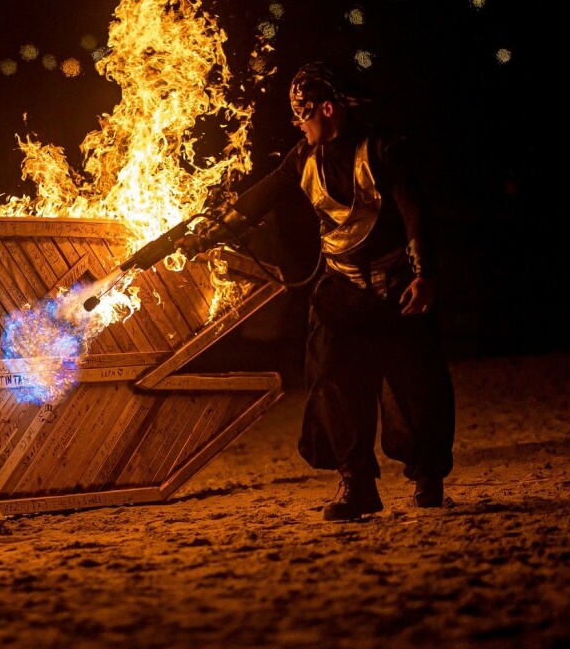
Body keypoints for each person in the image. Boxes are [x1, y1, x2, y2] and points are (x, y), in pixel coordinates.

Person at [185, 62, 455, 520]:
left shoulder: (384, 149)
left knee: (416, 388)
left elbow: (415, 212)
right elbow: (259, 199)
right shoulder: (302, 158)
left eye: (303, 114)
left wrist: (422, 273)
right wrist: (206, 233)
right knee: (334, 382)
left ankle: (427, 478)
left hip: (395, 290)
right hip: (341, 292)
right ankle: (357, 485)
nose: (299, 124)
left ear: (327, 109)